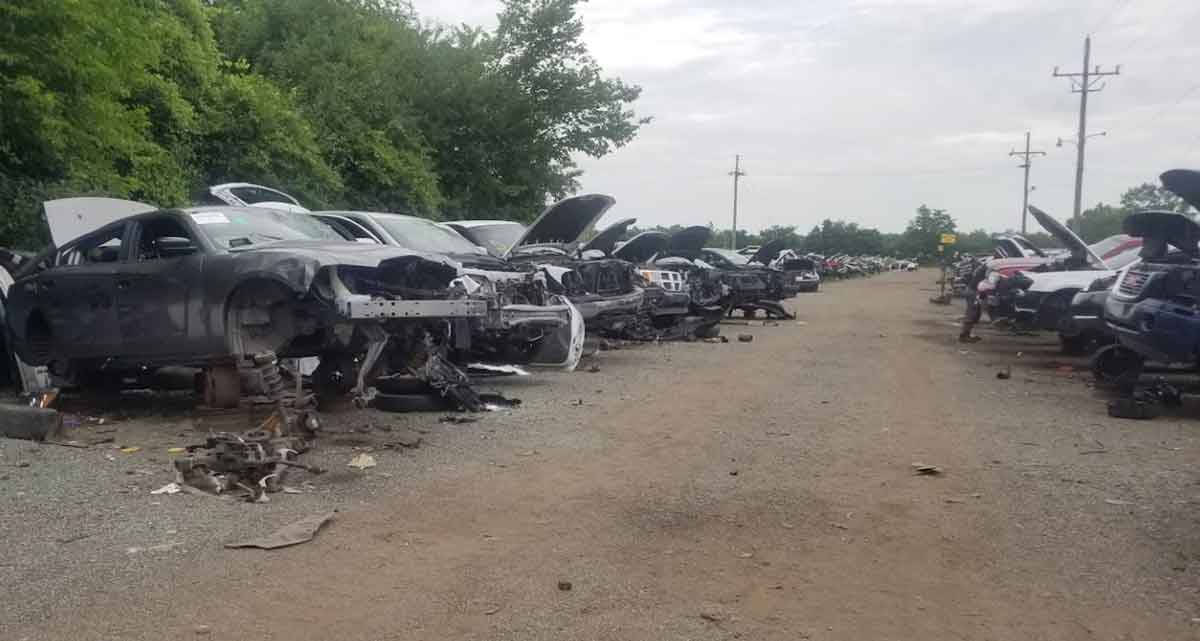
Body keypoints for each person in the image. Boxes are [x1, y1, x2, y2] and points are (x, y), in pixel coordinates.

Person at [959, 261, 986, 343]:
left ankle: (967, 334)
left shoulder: (983, 267)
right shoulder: (988, 270)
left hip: (971, 290)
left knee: (975, 313)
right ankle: (964, 336)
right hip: (973, 292)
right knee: (971, 313)